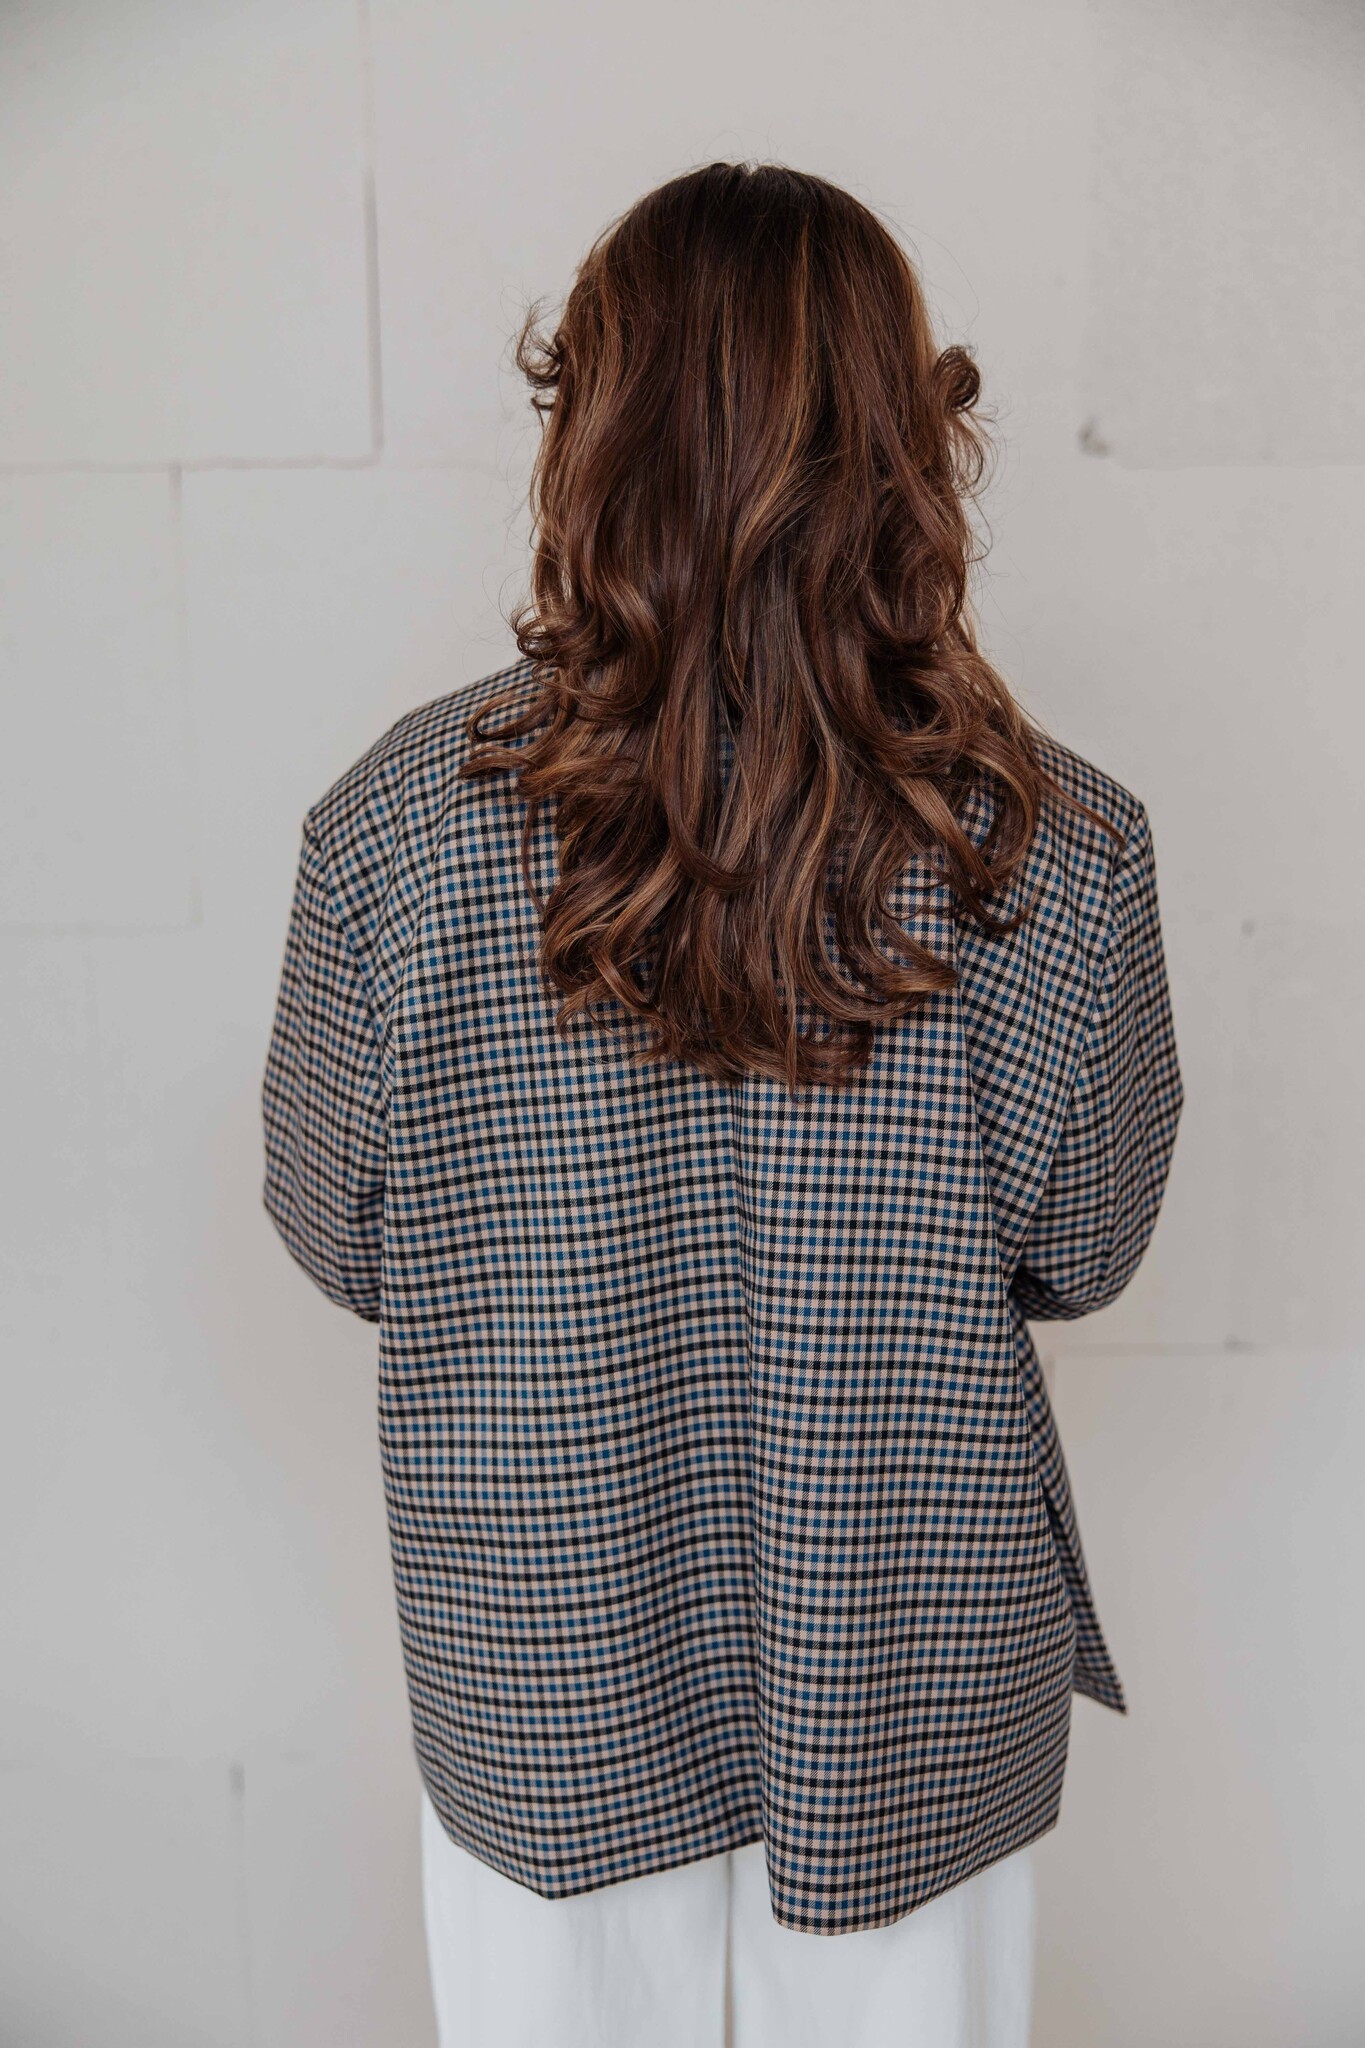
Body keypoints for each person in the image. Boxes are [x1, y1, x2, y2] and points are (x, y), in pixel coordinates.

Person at [262, 162, 1183, 2048]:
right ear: (901, 438)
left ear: (592, 425)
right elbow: (1084, 1253)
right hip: (902, 1670)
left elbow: (339, 1238)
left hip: (548, 1665)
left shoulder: (391, 826)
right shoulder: (1056, 844)